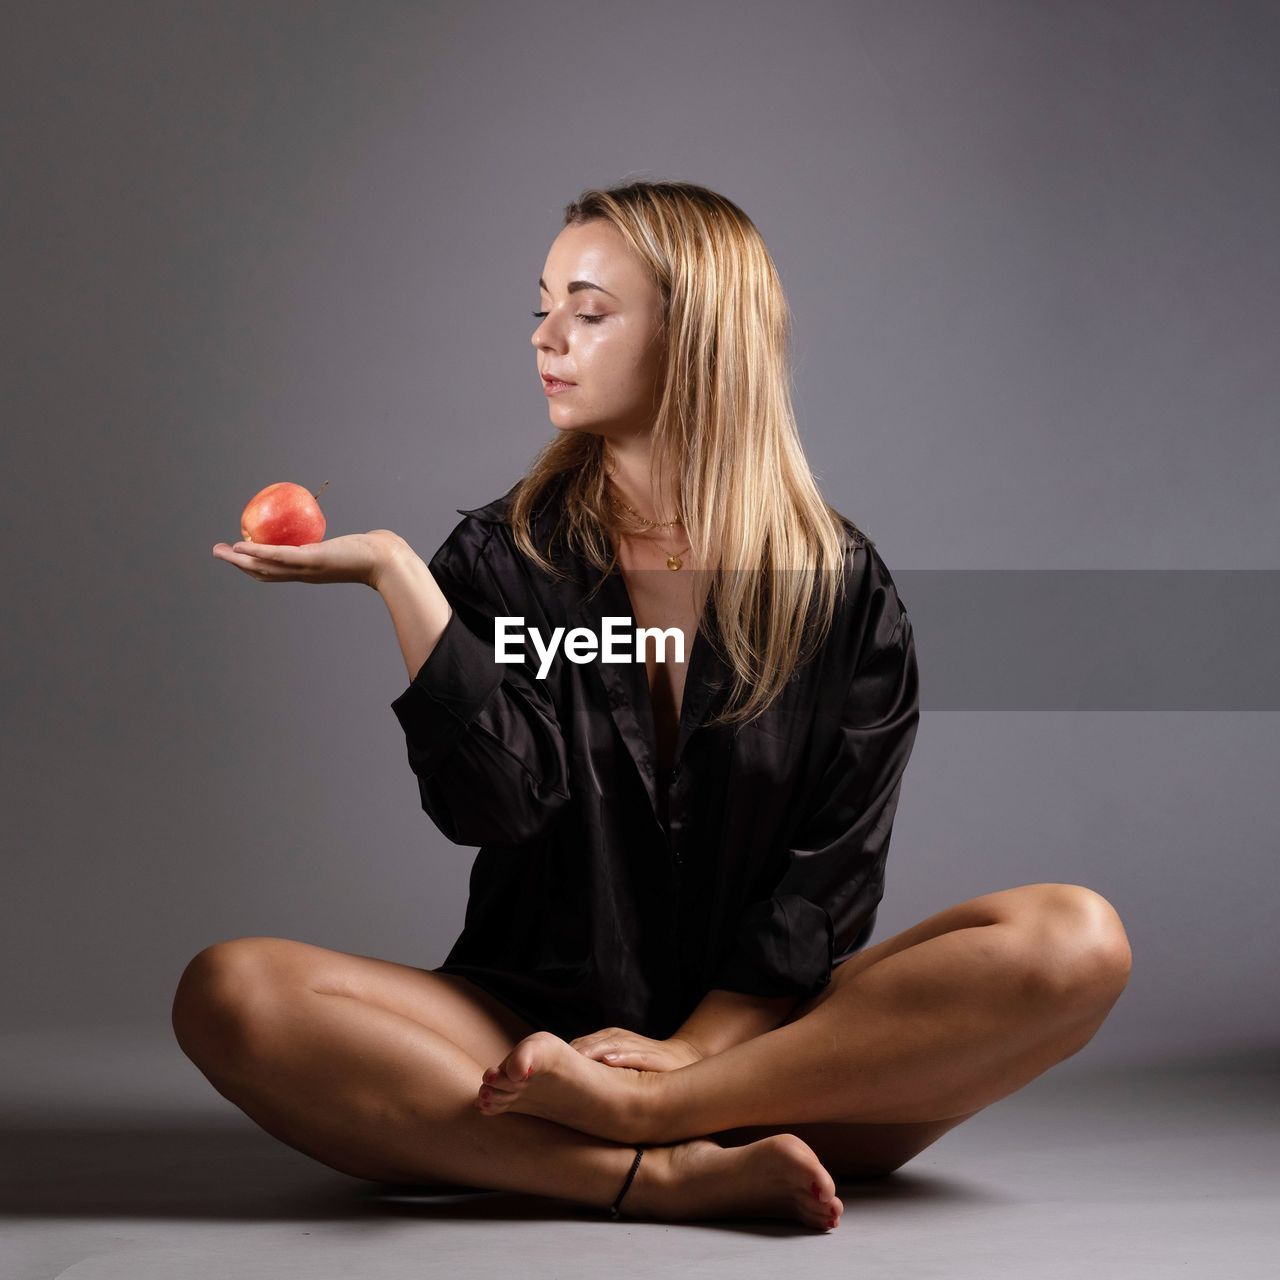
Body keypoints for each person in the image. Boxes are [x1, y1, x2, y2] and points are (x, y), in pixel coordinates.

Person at [185, 180, 1131, 1231]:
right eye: (541, 305)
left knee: (1074, 937)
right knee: (232, 992)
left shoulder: (840, 585)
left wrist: (683, 1064)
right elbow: (493, 810)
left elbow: (828, 875)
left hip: (773, 1057)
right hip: (531, 1037)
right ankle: (654, 1175)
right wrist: (402, 580)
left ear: (699, 338)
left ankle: (654, 1117)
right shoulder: (501, 559)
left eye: (587, 311)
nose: (546, 336)